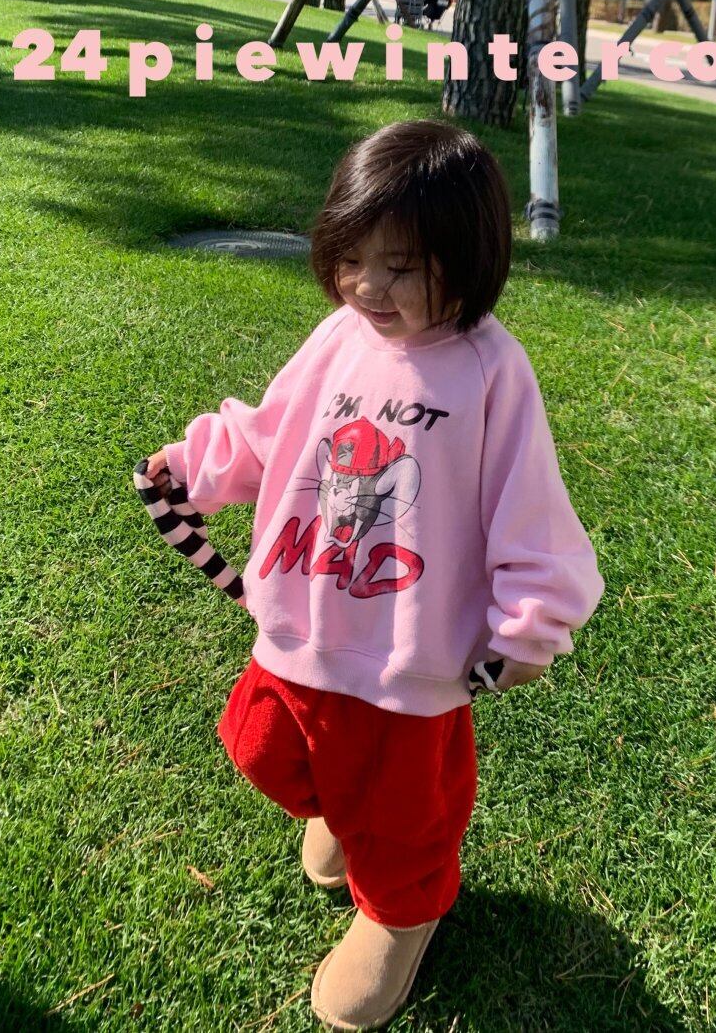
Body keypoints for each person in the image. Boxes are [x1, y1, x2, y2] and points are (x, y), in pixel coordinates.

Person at [144, 120, 605, 1029]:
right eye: (351, 258)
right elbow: (274, 428)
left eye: (400, 266)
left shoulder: (491, 370)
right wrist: (198, 465)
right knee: (263, 744)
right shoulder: (341, 334)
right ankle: (341, 811)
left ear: (466, 258)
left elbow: (533, 510)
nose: (366, 286)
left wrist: (530, 624)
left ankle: (402, 911)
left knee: (402, 813)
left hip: (408, 657)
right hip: (301, 618)